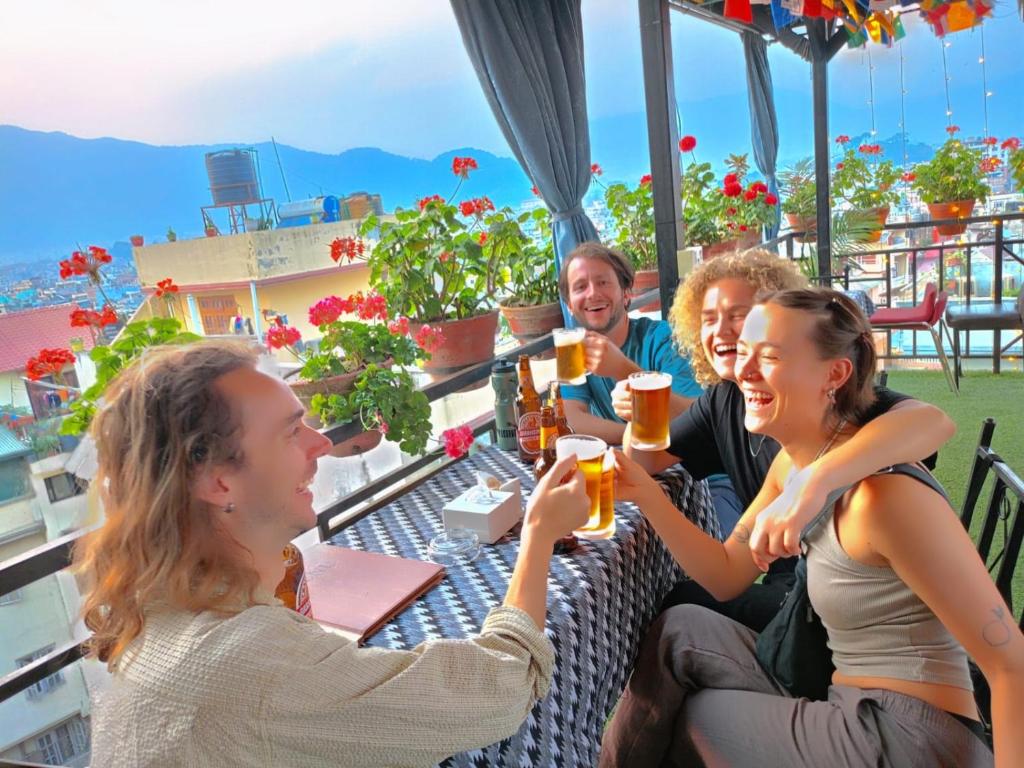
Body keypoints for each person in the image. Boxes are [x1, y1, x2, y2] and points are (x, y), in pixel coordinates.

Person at [76, 340, 589, 768]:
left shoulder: (157, 605)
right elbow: (500, 687)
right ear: (217, 479)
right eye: (291, 431)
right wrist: (538, 534)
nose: (321, 443)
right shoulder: (251, 665)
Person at [601, 288, 1023, 767]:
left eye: (771, 357)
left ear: (835, 375)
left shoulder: (882, 498)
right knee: (681, 626)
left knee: (697, 718)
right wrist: (647, 494)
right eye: (745, 353)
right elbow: (724, 574)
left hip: (909, 736)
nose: (745, 371)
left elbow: (1012, 667)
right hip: (845, 697)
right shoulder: (792, 464)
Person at [614, 250, 955, 628]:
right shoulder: (727, 398)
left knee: (678, 610)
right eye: (708, 319)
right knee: (680, 602)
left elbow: (933, 421)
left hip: (842, 608)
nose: (720, 331)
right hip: (794, 591)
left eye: (738, 316)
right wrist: (638, 414)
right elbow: (647, 464)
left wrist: (813, 481)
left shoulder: (827, 402)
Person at [557, 241, 738, 529]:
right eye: (580, 287)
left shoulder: (663, 339)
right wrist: (629, 431)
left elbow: (701, 419)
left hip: (706, 482)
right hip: (638, 476)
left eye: (603, 282)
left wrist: (624, 370)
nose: (592, 293)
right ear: (569, 304)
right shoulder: (572, 350)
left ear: (626, 293)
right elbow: (572, 420)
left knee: (702, 560)